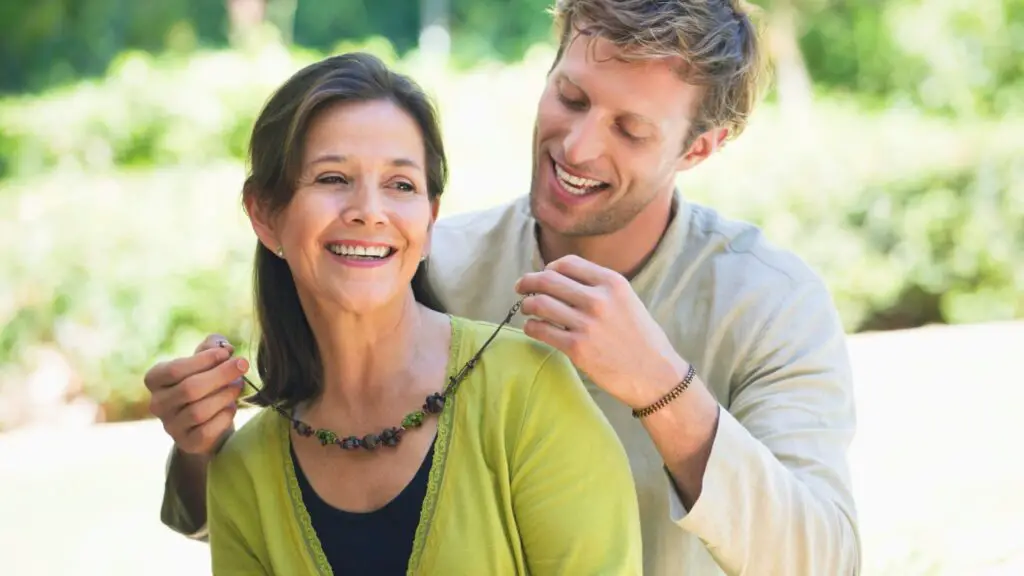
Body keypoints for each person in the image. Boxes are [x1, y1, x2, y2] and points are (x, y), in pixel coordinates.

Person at [145, 0, 861, 574]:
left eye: (631, 130)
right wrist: (200, 447)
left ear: (698, 148)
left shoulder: (769, 302)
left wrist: (661, 388)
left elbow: (823, 562)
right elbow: (294, 498)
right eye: (571, 96)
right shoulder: (421, 263)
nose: (579, 146)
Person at [154, 51, 644, 575]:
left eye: (402, 185)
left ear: (429, 220)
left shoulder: (527, 393)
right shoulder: (243, 469)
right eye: (332, 178)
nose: (369, 209)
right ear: (265, 215)